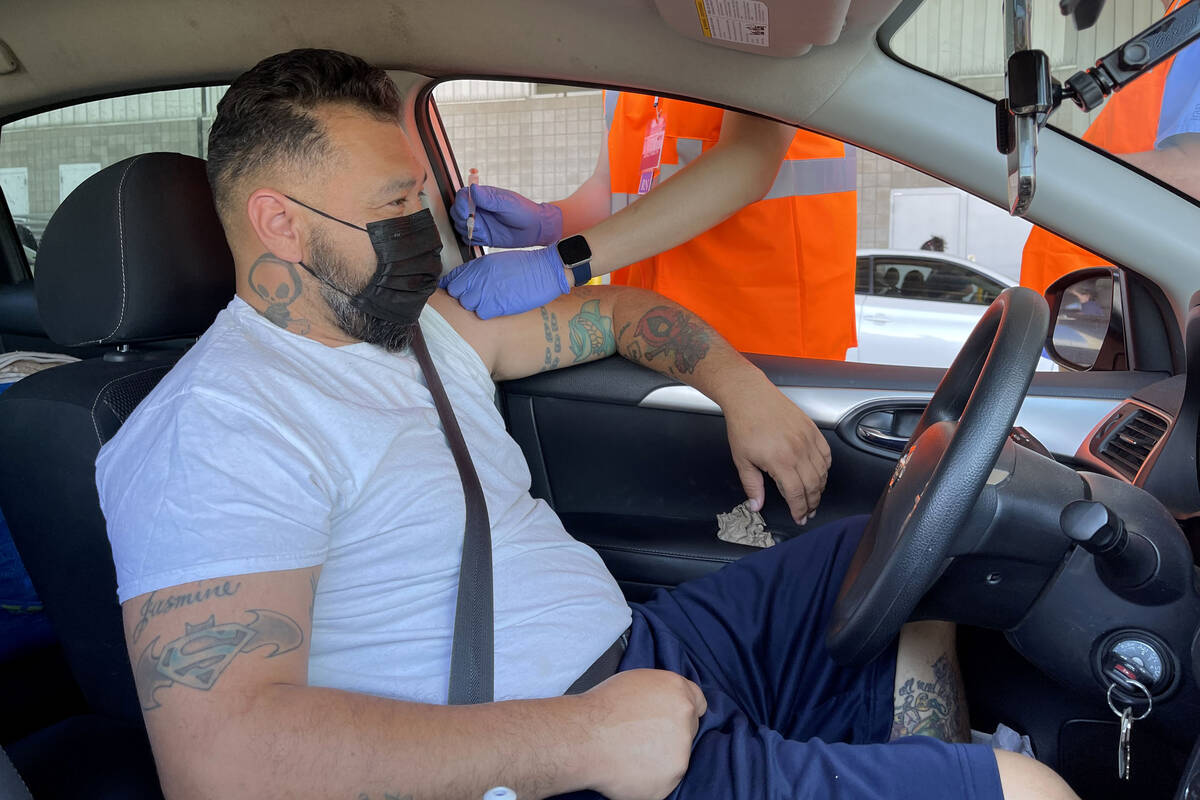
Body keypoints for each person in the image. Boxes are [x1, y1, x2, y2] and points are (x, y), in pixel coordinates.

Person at [96, 49, 1077, 800]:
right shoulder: (217, 427)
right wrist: (585, 738)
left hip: (645, 653)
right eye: (395, 205)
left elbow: (615, 316)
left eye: (422, 197)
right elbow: (221, 760)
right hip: (552, 758)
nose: (424, 229)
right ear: (279, 223)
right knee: (1029, 790)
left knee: (904, 553)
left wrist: (742, 387)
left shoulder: (425, 326)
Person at [439, 92, 858, 360]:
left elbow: (747, 163)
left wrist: (563, 264)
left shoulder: (752, 24)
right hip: (648, 337)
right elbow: (612, 191)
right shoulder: (637, 66)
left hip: (764, 351)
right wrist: (549, 221)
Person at [1020, 0, 1200, 295]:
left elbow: (1194, 174)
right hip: (1096, 304)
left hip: (1113, 311)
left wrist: (1047, 174)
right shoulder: (1181, 22)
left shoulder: (1193, 25)